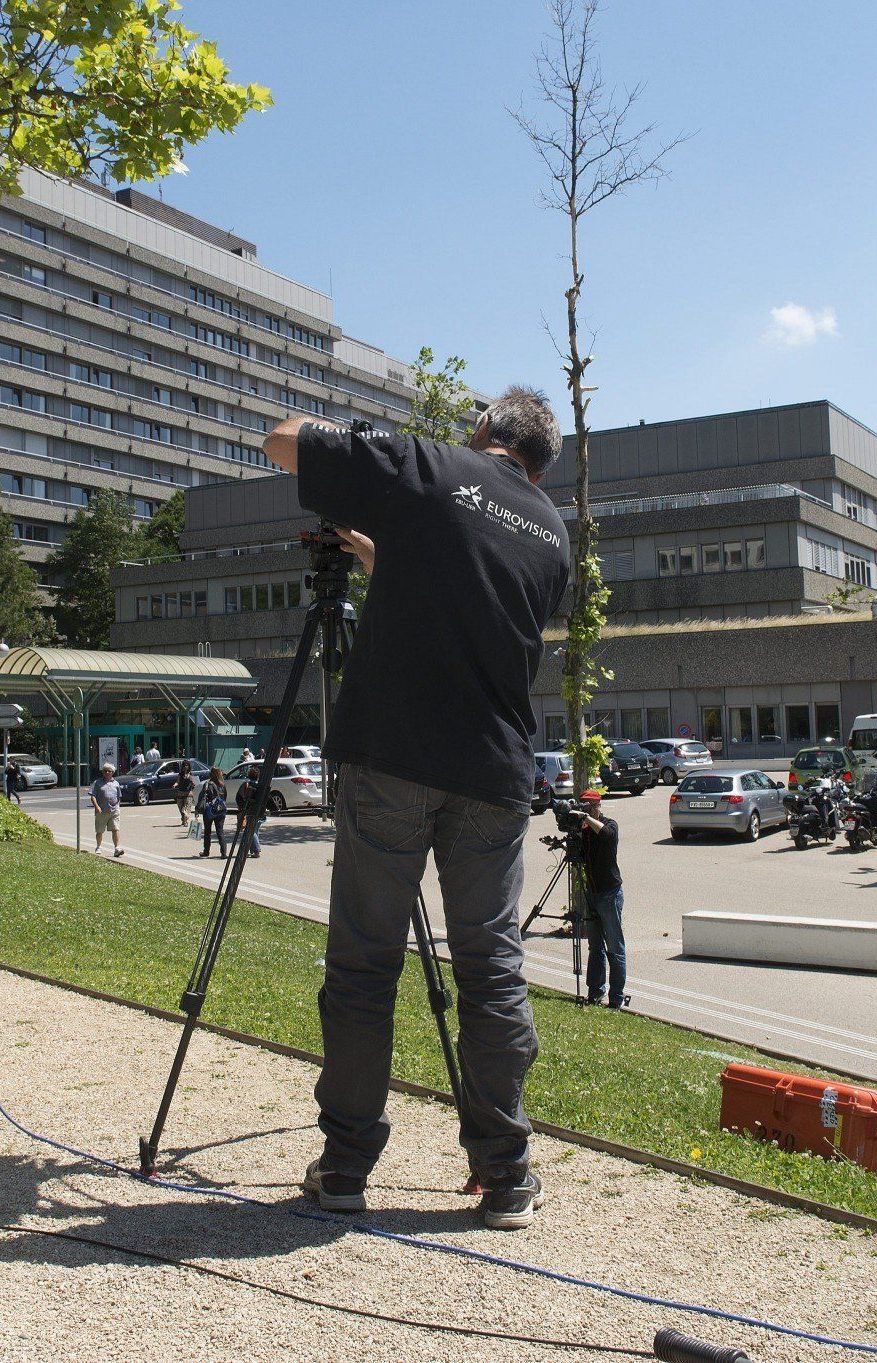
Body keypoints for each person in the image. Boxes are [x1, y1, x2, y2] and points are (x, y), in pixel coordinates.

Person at [259, 387, 570, 1231]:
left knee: (364, 965)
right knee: (490, 969)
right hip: (493, 771)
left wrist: (358, 439)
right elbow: (473, 611)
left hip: (393, 757)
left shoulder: (431, 466)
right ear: (539, 460)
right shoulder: (553, 534)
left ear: (483, 433)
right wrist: (387, 564)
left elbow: (282, 440)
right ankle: (505, 1176)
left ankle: (347, 1166)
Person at [577, 789, 626, 1009]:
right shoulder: (584, 831)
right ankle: (595, 992)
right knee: (594, 946)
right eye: (584, 807)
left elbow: (607, 835)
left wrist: (586, 818)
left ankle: (616, 998)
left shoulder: (609, 824)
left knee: (615, 948)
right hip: (592, 893)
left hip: (610, 893)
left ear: (598, 807)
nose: (588, 811)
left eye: (591, 807)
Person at [90, 763, 125, 858]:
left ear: (112, 772)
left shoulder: (116, 783)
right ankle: (98, 847)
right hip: (101, 811)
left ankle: (117, 848)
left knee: (115, 829)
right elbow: (93, 796)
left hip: (114, 811)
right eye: (105, 770)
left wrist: (117, 806)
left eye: (109, 771)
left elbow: (119, 797)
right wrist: (97, 806)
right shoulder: (97, 783)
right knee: (100, 831)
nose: (107, 772)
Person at [196, 766, 229, 857]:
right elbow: (225, 797)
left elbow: (202, 798)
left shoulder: (208, 784)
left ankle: (206, 851)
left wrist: (197, 809)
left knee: (207, 832)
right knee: (220, 831)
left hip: (209, 810)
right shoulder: (222, 784)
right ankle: (224, 852)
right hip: (220, 810)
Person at [234, 771, 265, 859]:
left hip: (249, 811)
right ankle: (251, 850)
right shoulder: (260, 784)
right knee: (255, 830)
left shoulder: (247, 784)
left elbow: (240, 797)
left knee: (251, 831)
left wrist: (242, 808)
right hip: (260, 811)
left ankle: (256, 850)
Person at [175, 763, 199, 827]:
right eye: (184, 765)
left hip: (189, 793)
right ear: (182, 766)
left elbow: (194, 782)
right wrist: (175, 785)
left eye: (187, 765)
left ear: (189, 766)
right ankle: (183, 819)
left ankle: (185, 821)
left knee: (186, 808)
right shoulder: (180, 774)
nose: (186, 766)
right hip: (180, 793)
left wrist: (193, 783)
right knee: (181, 808)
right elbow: (177, 782)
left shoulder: (191, 774)